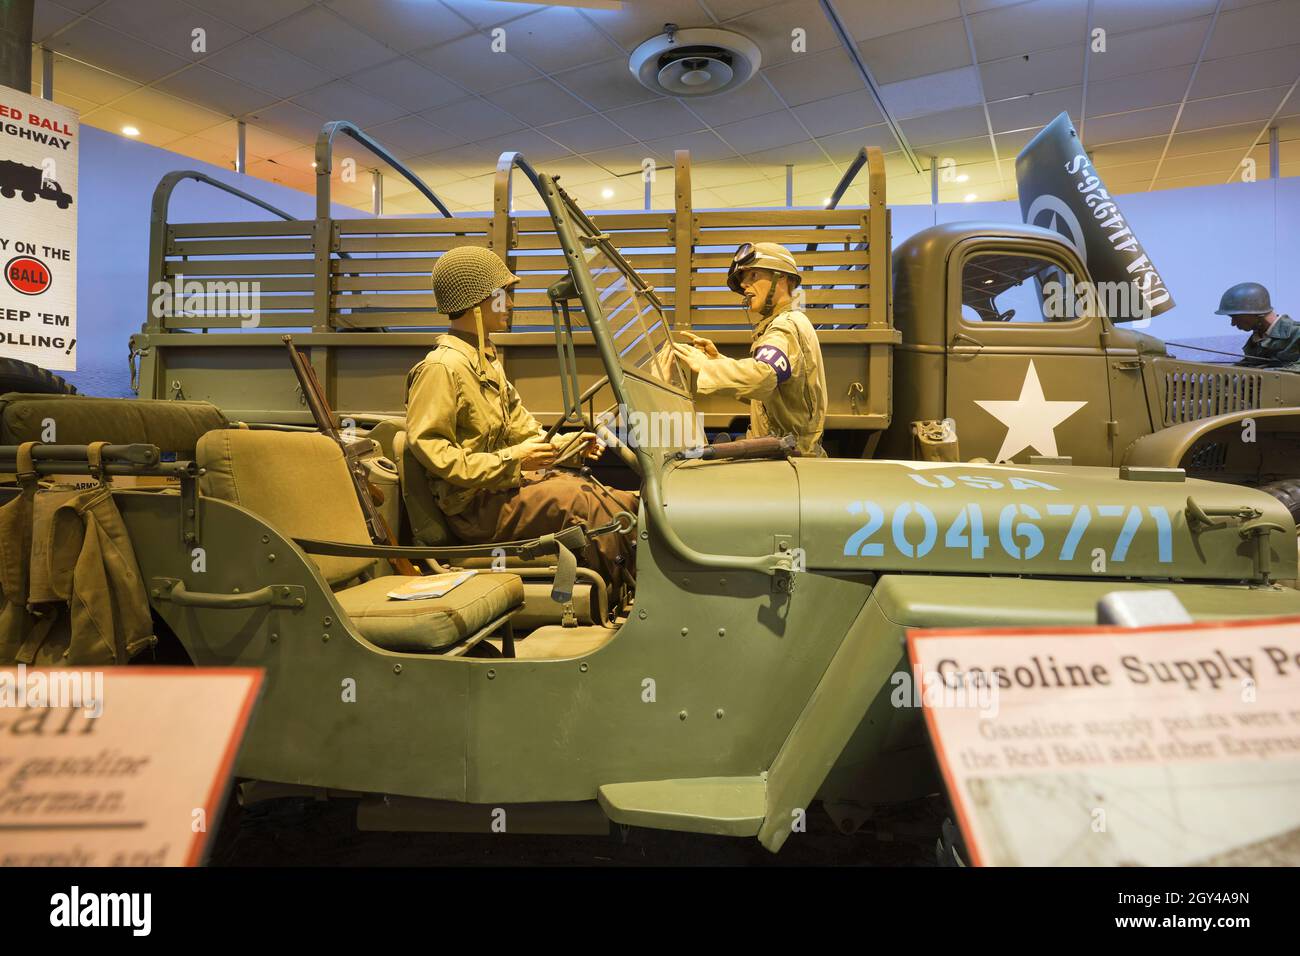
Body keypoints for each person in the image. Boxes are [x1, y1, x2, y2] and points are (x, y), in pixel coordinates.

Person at [404, 246, 637, 593]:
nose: (510, 304)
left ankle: (630, 586)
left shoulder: (486, 364)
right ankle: (619, 596)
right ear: (477, 302)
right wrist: (515, 459)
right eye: (503, 295)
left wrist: (566, 447)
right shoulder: (442, 367)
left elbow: (523, 429)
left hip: (500, 491)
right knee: (580, 502)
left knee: (613, 496)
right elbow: (433, 450)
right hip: (473, 507)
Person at [670, 242, 828, 456]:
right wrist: (718, 361)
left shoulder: (784, 326)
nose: (744, 284)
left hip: (785, 458)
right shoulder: (790, 322)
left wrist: (707, 366)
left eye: (753, 275)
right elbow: (768, 392)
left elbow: (762, 378)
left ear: (780, 278)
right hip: (785, 454)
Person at [1216, 281, 1300, 370]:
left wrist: (1259, 375)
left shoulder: (1296, 334)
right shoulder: (1258, 337)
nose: (1233, 323)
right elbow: (1251, 364)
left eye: (1236, 317)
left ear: (1255, 313)